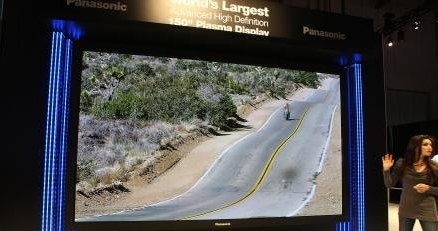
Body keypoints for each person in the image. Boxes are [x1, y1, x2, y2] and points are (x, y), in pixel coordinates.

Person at [382, 134, 438, 231]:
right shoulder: (402, 164)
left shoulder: (434, 166)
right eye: (425, 144)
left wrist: (429, 189)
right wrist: (386, 170)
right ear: (415, 147)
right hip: (406, 208)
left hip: (427, 209)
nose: (430, 147)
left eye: (431, 145)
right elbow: (389, 184)